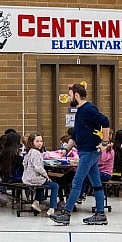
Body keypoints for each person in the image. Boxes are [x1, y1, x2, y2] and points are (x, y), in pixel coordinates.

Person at [50, 82, 110, 225]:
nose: (69, 98)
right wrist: (65, 149)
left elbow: (105, 121)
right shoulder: (79, 112)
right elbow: (76, 135)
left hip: (89, 152)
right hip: (86, 152)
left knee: (77, 182)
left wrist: (105, 143)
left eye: (70, 95)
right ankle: (100, 214)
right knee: (96, 184)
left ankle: (66, 213)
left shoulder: (88, 109)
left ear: (76, 95)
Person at [22, 132, 59, 216]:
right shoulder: (36, 153)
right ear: (32, 142)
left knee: (42, 182)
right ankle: (52, 208)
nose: (40, 143)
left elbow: (24, 164)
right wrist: (46, 175)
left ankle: (37, 201)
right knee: (55, 185)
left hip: (27, 178)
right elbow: (38, 168)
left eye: (41, 141)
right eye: (37, 141)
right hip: (34, 179)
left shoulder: (29, 152)